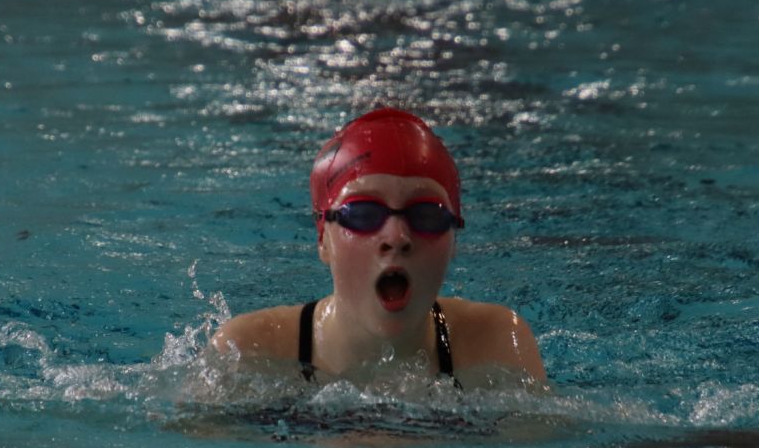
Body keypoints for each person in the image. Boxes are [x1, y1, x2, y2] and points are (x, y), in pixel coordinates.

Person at [209, 107, 546, 389]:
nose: (396, 236)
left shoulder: (496, 344)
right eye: (363, 214)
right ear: (323, 240)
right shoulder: (247, 352)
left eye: (426, 215)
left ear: (453, 239)